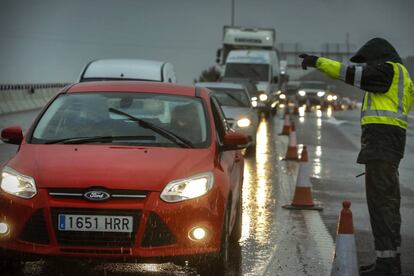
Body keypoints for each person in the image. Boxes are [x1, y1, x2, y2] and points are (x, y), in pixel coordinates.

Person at [299, 37, 414, 276]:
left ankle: (387, 266)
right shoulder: (403, 76)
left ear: (379, 57)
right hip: (391, 144)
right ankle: (389, 260)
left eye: (370, 62)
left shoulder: (387, 72)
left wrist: (317, 62)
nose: (368, 66)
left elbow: (349, 73)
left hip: (381, 145)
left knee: (381, 204)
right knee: (388, 205)